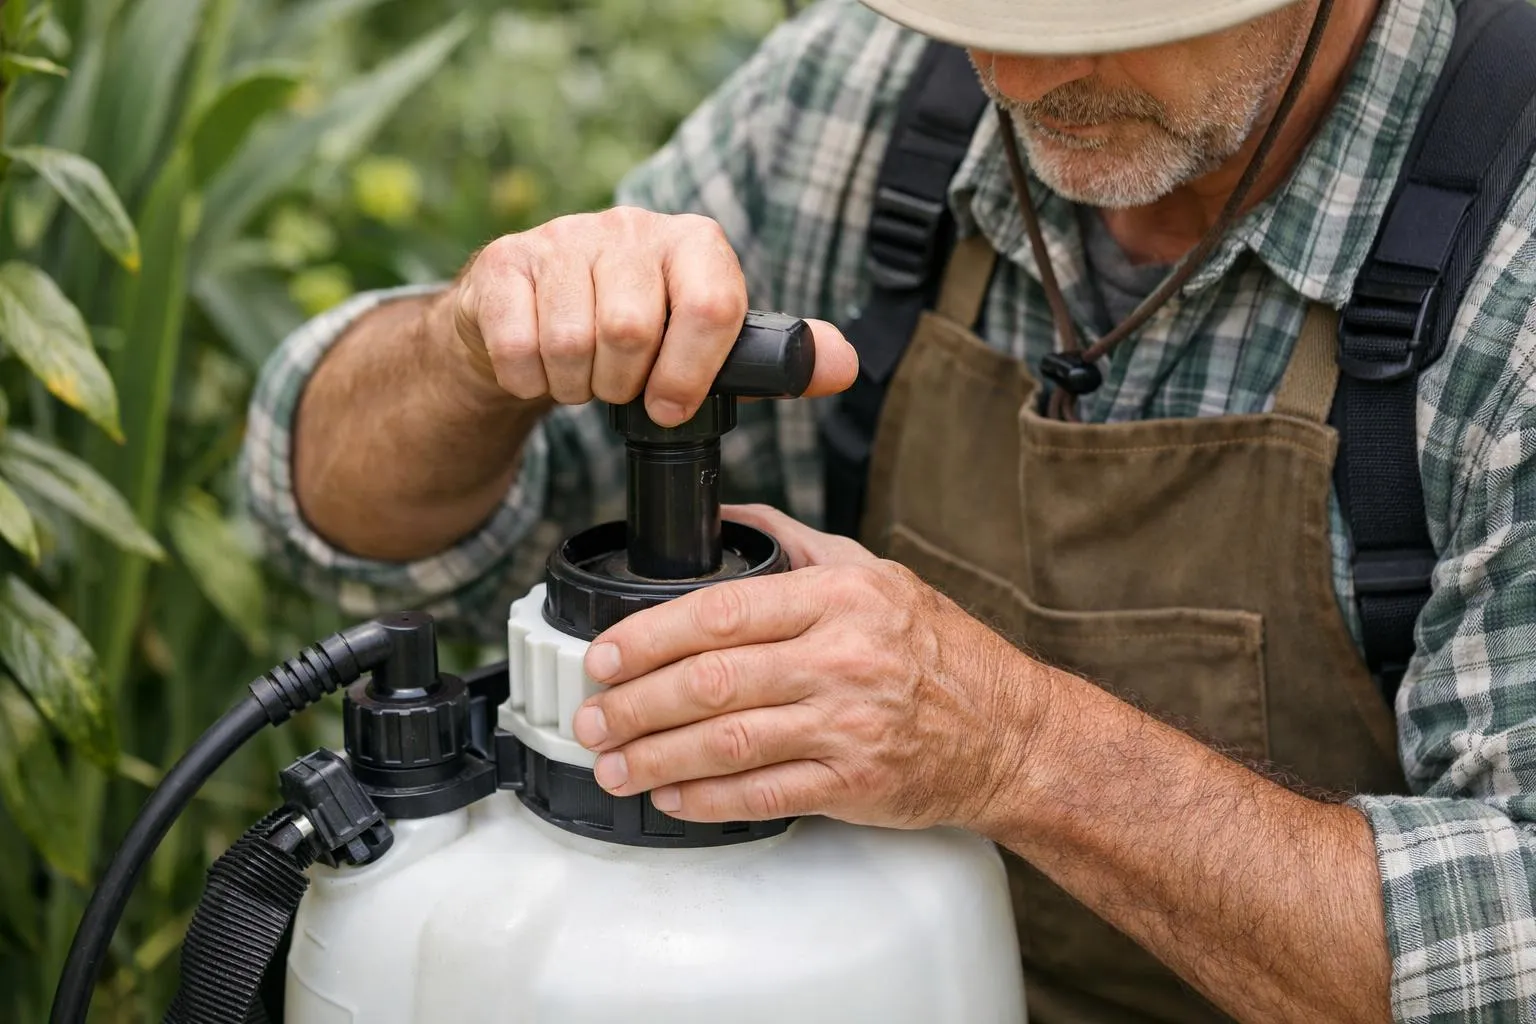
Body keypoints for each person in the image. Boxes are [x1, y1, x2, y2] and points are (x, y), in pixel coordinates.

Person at [240, 0, 1536, 1019]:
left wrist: (1022, 750)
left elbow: (1512, 955)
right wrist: (475, 349)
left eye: (1092, 17)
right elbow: (343, 535)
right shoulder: (871, 97)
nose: (1017, 83)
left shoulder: (1509, 248)